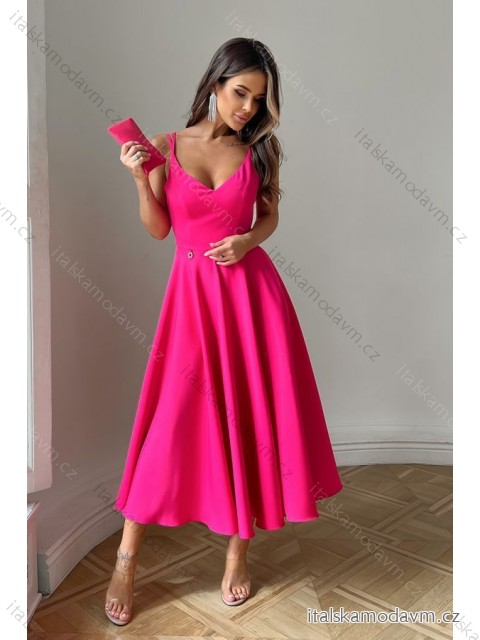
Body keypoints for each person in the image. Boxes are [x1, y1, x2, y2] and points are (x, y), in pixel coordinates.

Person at [105, 37, 343, 625]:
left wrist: (247, 242)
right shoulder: (165, 146)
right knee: (170, 422)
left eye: (258, 100)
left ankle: (238, 552)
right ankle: (126, 559)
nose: (247, 108)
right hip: (191, 302)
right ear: (215, 84)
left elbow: (270, 216)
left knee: (250, 418)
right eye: (240, 93)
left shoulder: (261, 150)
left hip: (251, 299)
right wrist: (138, 179)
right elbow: (160, 230)